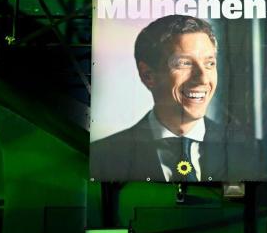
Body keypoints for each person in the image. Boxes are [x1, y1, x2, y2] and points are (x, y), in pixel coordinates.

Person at [91, 14, 229, 182]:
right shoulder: (102, 157)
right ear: (148, 75)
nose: (202, 78)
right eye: (184, 63)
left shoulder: (250, 151)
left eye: (210, 64)